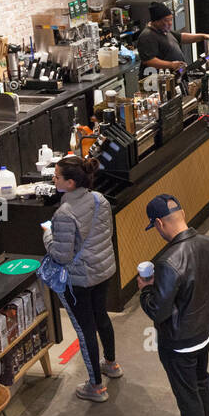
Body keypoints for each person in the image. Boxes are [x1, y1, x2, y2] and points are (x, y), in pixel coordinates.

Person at [139, 194, 209, 416]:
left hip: (179, 340)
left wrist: (145, 291)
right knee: (201, 378)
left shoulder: (167, 261)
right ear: (183, 212)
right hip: (206, 329)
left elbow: (158, 310)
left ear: (159, 223)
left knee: (186, 391)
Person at [42, 154, 121, 403]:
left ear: (70, 183)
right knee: (101, 316)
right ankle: (111, 364)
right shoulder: (99, 200)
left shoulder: (64, 214)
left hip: (79, 280)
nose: (53, 180)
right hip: (103, 270)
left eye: (57, 177)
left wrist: (47, 235)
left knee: (84, 329)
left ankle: (96, 386)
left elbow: (61, 255)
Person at [136, 1, 209, 72]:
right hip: (156, 81)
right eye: (166, 20)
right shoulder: (147, 36)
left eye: (171, 19)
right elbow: (149, 61)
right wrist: (171, 65)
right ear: (156, 21)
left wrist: (202, 36)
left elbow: (182, 37)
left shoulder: (164, 30)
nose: (170, 23)